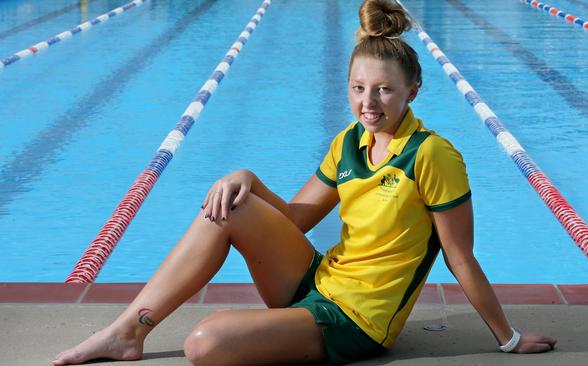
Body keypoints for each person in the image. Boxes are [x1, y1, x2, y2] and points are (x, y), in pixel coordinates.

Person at [53, 0, 556, 365]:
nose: (369, 103)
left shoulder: (432, 155)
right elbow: (293, 219)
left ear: (412, 92)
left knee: (204, 343)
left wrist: (508, 338)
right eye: (359, 88)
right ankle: (127, 331)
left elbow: (459, 256)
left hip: (358, 320)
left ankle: (225, 331)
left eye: (384, 90)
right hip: (318, 281)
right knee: (231, 202)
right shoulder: (349, 143)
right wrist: (248, 178)